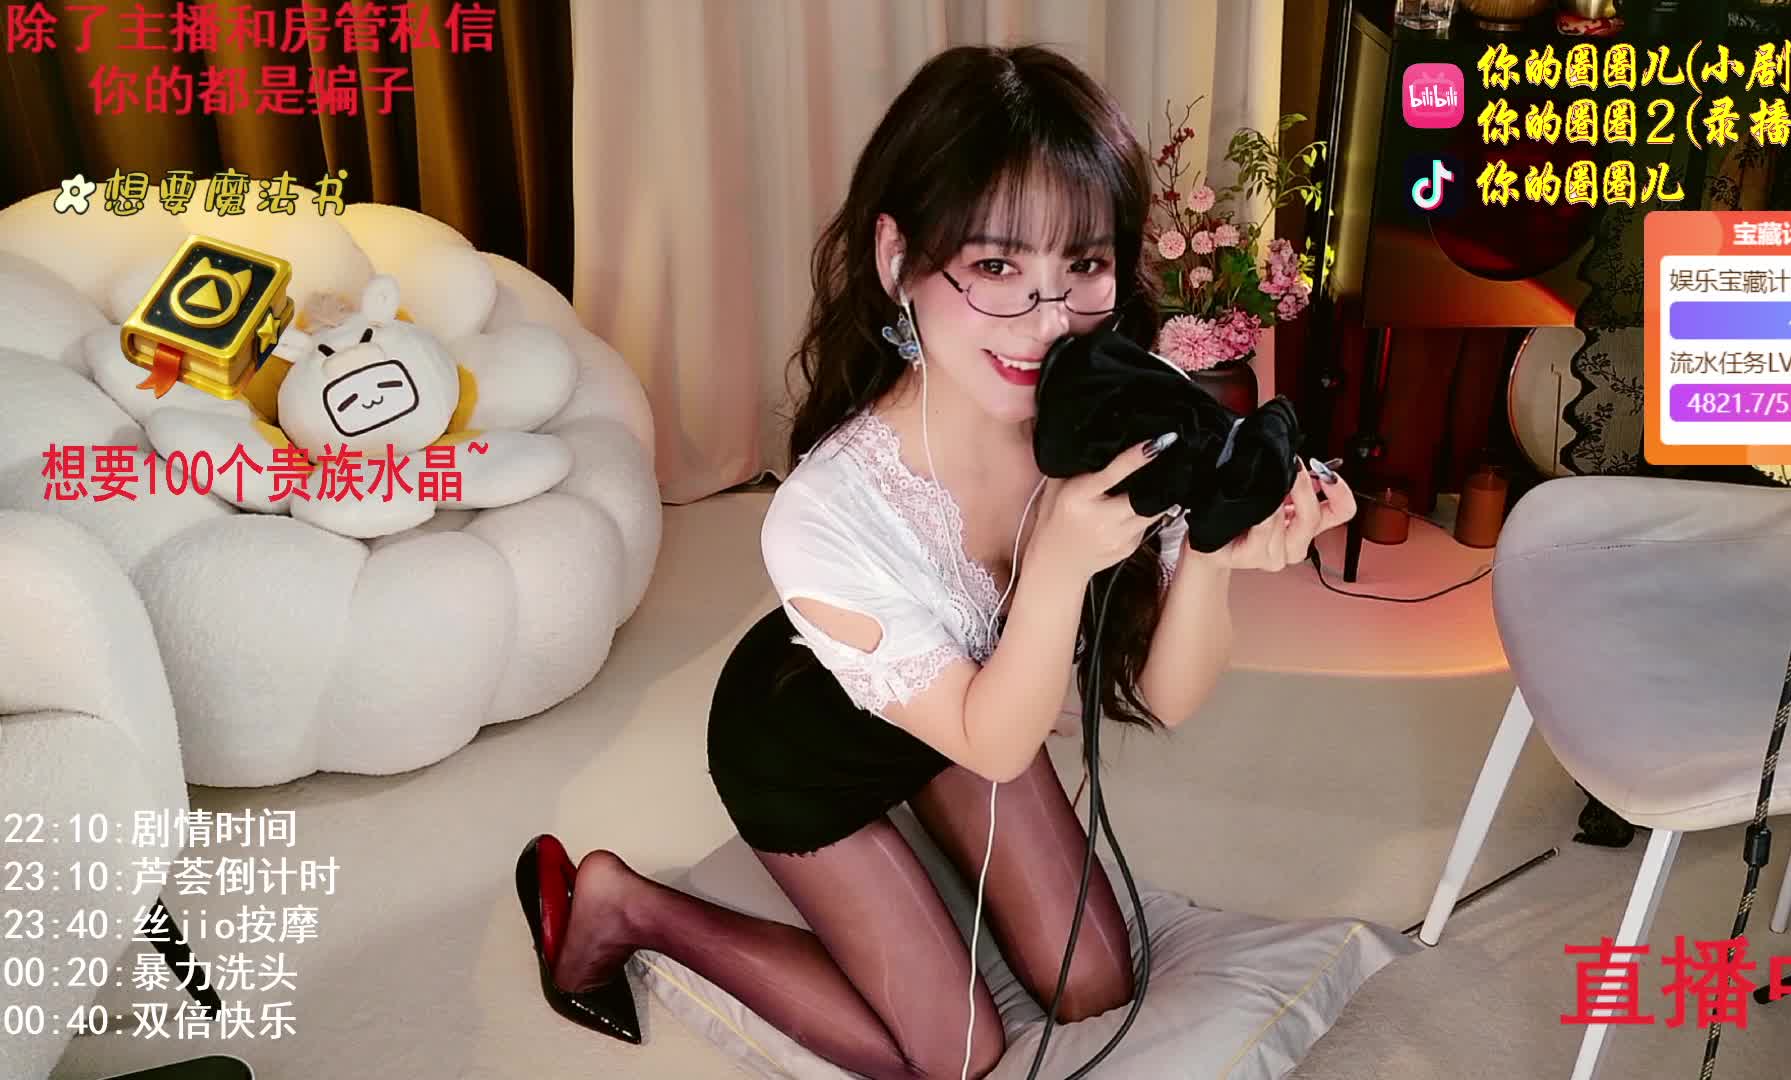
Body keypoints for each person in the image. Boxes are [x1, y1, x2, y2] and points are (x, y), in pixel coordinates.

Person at [514, 43, 1358, 1080]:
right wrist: (1059, 565)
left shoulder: (1116, 407)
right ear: (897, 258)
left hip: (976, 714)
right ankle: (628, 906)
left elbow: (1167, 698)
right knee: (956, 1057)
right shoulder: (825, 513)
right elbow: (995, 745)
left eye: (1083, 266)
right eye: (996, 267)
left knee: (1098, 982)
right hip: (808, 754)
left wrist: (1216, 552)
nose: (1047, 322)